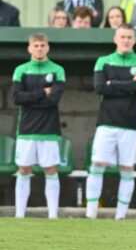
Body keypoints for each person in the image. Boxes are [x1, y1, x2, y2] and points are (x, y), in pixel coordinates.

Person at [86, 24, 136, 219]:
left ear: (134, 40)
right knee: (97, 165)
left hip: (130, 125)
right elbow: (100, 88)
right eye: (122, 37)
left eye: (129, 37)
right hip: (106, 123)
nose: (126, 40)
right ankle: (91, 213)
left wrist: (114, 83)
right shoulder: (103, 61)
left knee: (127, 168)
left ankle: (121, 216)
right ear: (115, 39)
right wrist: (130, 84)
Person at [11, 33, 65, 218]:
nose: (39, 48)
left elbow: (54, 100)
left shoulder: (57, 70)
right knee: (24, 169)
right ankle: (19, 215)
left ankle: (52, 215)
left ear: (48, 47)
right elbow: (17, 98)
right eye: (36, 45)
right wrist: (43, 92)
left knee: (50, 170)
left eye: (43, 45)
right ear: (29, 48)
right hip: (26, 130)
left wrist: (31, 97)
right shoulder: (21, 70)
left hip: (49, 130)